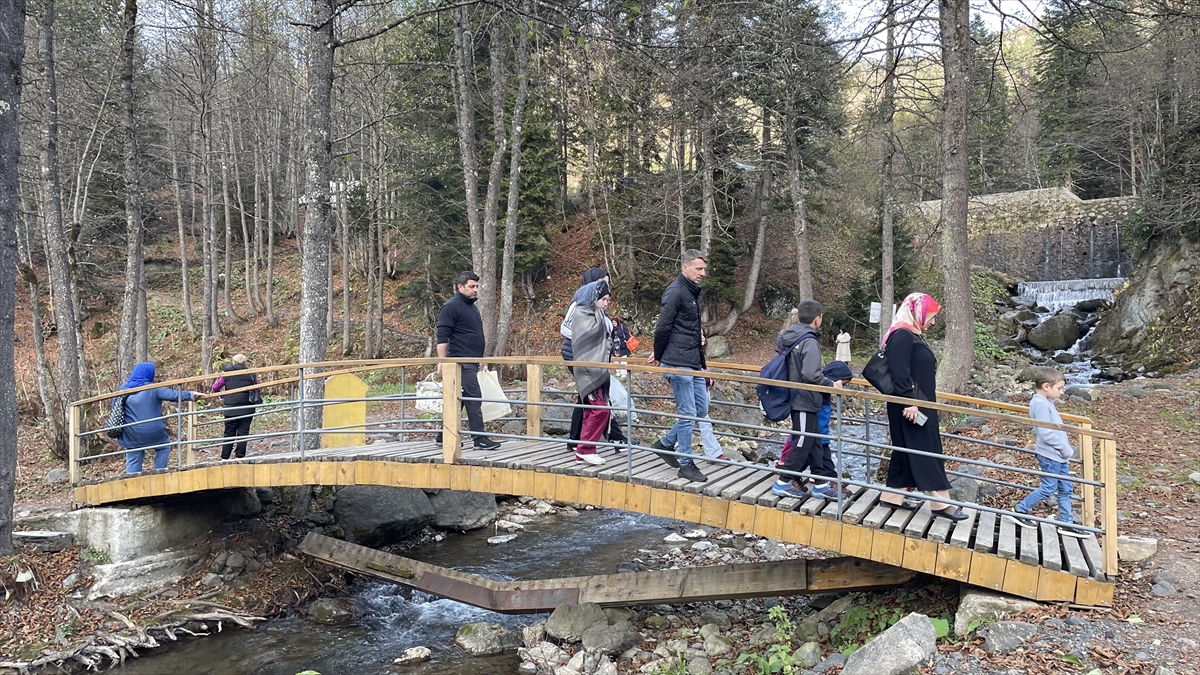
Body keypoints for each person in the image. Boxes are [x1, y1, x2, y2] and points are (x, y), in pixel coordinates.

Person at [876, 293, 967, 521]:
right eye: (931, 316)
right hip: (911, 406)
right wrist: (910, 402)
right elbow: (899, 372)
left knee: (906, 450)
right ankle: (940, 503)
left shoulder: (911, 334)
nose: (933, 322)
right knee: (926, 450)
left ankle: (892, 496)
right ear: (917, 313)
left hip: (918, 403)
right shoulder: (903, 335)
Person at [647, 249, 710, 483]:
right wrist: (660, 354)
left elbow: (687, 328)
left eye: (704, 269)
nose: (702, 273)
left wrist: (701, 358)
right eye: (698, 268)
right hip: (677, 361)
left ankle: (665, 444)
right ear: (685, 267)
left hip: (692, 360)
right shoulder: (675, 291)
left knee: (700, 408)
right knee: (688, 413)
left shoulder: (692, 292)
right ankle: (686, 463)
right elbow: (663, 326)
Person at [771, 300, 844, 499]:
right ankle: (782, 482)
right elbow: (811, 373)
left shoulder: (792, 335)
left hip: (798, 396)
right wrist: (831, 385)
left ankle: (821, 484)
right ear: (817, 319)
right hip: (803, 398)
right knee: (803, 441)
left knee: (814, 441)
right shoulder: (809, 340)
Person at [1007, 368, 1088, 537]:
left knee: (1066, 488)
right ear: (1046, 386)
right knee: (1048, 488)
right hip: (1051, 455)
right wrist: (1064, 448)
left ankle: (1066, 522)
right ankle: (1020, 510)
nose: (1061, 392)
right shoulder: (1040, 404)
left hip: (1059, 456)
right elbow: (1045, 433)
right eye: (1059, 388)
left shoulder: (1046, 402)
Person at [562, 267, 629, 452]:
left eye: (607, 282)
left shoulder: (599, 304)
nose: (606, 285)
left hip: (594, 356)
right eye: (603, 281)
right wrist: (588, 341)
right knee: (595, 396)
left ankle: (577, 440)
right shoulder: (581, 302)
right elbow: (565, 328)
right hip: (578, 354)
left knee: (587, 397)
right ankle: (614, 438)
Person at [436, 271, 500, 451]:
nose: (475, 290)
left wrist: (481, 359)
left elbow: (474, 335)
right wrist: (442, 361)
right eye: (472, 286)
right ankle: (479, 439)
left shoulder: (472, 308)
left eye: (477, 286)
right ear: (460, 287)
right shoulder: (451, 307)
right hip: (459, 362)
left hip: (472, 360)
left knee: (459, 400)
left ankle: (443, 435)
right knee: (473, 398)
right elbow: (442, 336)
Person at [113, 362, 199, 474]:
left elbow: (115, 408)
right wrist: (191, 395)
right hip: (153, 431)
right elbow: (173, 394)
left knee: (133, 457)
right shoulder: (154, 388)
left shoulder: (122, 389)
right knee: (164, 446)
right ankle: (159, 473)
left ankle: (132, 481)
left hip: (131, 433)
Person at [570, 280, 615, 465]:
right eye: (603, 299)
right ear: (593, 297)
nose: (606, 303)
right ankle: (585, 449)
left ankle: (583, 451)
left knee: (592, 410)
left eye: (608, 300)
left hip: (599, 368)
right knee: (600, 409)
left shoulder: (598, 314)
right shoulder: (582, 314)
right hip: (587, 370)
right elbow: (587, 339)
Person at [211, 353, 259, 460]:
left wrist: (223, 396)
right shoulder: (251, 374)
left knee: (229, 432)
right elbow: (258, 388)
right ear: (245, 363)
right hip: (247, 408)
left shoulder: (227, 374)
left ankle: (225, 457)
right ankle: (239, 456)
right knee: (243, 432)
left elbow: (215, 387)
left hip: (231, 407)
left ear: (233, 362)